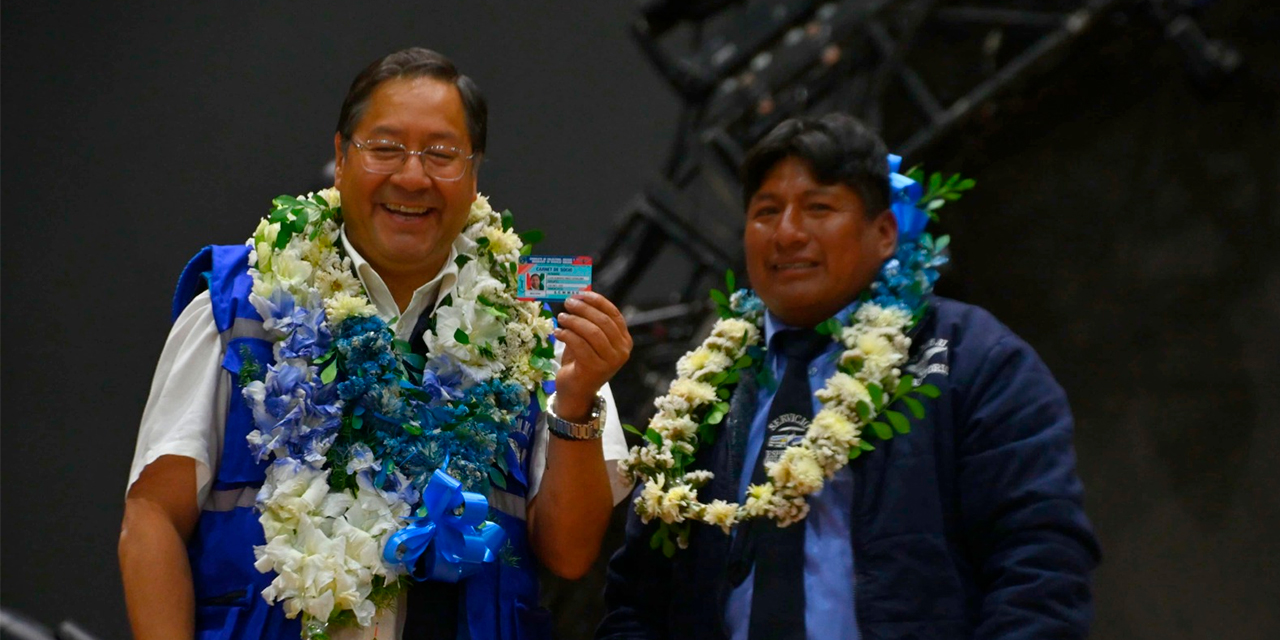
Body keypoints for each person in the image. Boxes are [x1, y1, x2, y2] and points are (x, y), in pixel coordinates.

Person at [120, 47, 634, 640]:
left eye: (441, 154)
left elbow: (569, 554)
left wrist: (574, 404)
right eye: (385, 148)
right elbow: (154, 513)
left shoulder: (537, 321)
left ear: (474, 173)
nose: (412, 177)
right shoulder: (243, 299)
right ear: (340, 159)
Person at [597, 113, 1101, 639]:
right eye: (766, 211)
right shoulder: (699, 394)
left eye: (819, 207)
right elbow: (637, 600)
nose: (788, 233)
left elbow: (1040, 563)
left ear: (884, 232)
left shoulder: (972, 358)